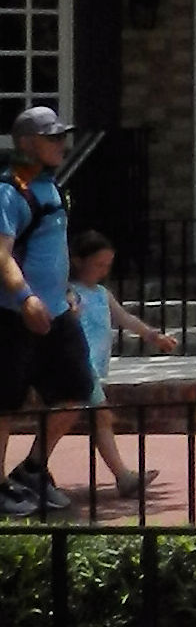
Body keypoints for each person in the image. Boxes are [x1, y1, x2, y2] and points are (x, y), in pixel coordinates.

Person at [35, 227, 179, 503]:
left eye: (107, 265)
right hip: (79, 363)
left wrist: (153, 336)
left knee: (77, 418)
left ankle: (36, 464)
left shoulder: (102, 294)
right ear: (79, 261)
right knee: (101, 416)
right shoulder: (69, 292)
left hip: (93, 366)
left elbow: (125, 319)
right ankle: (123, 476)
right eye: (98, 264)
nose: (103, 270)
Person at [0, 104, 93, 519]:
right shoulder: (10, 191)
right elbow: (1, 254)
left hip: (57, 312)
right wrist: (25, 298)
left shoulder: (52, 187)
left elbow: (50, 250)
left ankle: (34, 469)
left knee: (77, 389)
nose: (61, 144)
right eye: (51, 137)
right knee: (5, 401)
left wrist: (64, 290)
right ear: (26, 143)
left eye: (61, 136)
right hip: (14, 314)